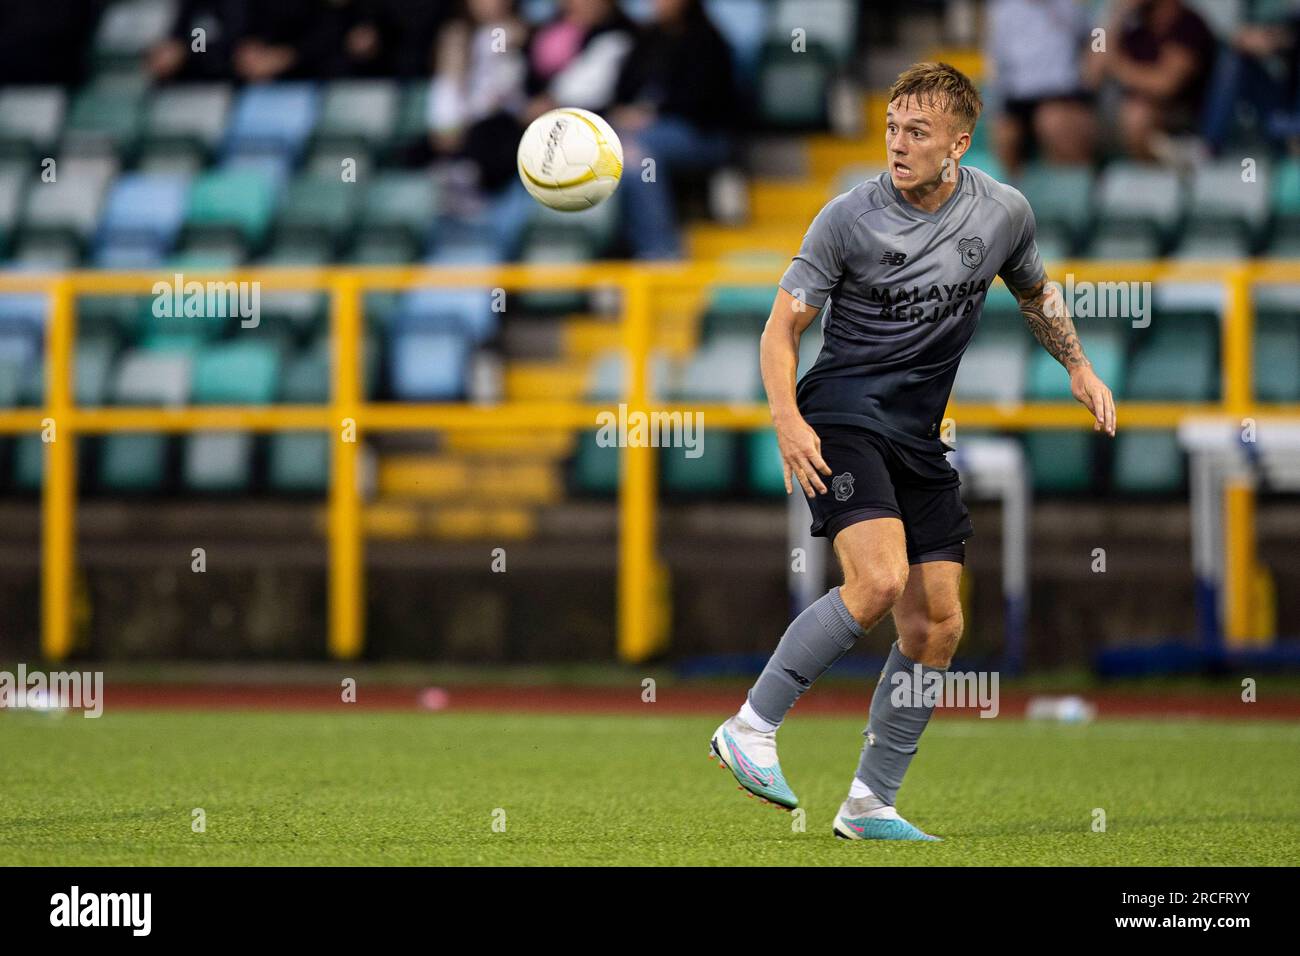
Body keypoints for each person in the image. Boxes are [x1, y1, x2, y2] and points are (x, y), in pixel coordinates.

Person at [709, 62, 1117, 841]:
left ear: (960, 143)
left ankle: (870, 803)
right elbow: (780, 327)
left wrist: (1077, 363)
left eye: (917, 132)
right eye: (893, 127)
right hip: (841, 414)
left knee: (936, 624)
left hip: (918, 434)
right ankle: (751, 728)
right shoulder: (846, 217)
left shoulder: (1004, 213)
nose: (897, 144)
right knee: (880, 579)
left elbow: (1034, 292)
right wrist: (788, 419)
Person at [611, 0, 738, 259]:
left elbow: (707, 101)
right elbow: (623, 90)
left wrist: (653, 115)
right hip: (640, 131)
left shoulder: (708, 40)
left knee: (639, 156)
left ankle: (661, 251)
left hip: (701, 135)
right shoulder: (648, 39)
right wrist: (626, 113)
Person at [1084, 0, 1218, 162]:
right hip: (1119, 115)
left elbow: (1165, 84)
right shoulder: (1135, 26)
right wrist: (1113, 17)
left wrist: (1118, 67)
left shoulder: (1189, 24)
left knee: (1137, 115)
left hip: (1180, 121)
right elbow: (1091, 76)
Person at [427, 0, 529, 193]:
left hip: (504, 132)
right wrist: (446, 124)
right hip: (465, 133)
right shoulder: (458, 34)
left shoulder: (515, 33)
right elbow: (447, 88)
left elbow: (504, 89)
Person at [985, 0, 1096, 175]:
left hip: (1061, 93)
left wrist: (1091, 72)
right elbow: (997, 63)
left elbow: (1097, 35)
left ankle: (1076, 185)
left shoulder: (1070, 7)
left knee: (1051, 121)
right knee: (1004, 134)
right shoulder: (1002, 11)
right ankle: (1016, 193)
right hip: (1019, 96)